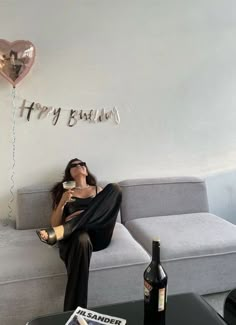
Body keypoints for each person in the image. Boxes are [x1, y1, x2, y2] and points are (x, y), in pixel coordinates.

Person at [36, 158, 122, 311]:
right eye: (73, 166)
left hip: (99, 234)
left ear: (86, 170)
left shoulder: (98, 190)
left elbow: (107, 214)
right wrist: (62, 202)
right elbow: (55, 224)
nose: (79, 166)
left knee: (115, 188)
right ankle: (75, 316)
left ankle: (67, 228)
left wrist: (81, 217)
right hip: (78, 238)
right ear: (69, 173)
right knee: (82, 239)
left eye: (82, 164)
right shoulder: (64, 192)